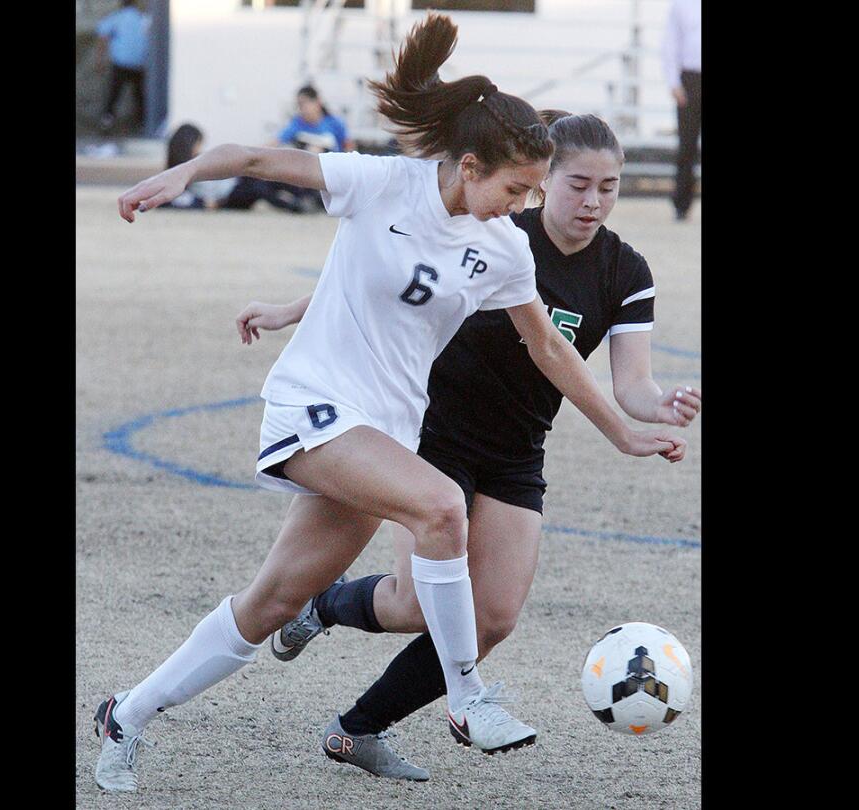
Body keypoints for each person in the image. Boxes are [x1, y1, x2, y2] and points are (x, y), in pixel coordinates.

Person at [92, 13, 686, 794]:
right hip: (314, 408)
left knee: (272, 602)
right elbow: (255, 156)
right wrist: (181, 175)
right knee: (442, 507)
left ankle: (124, 714)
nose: (523, 206)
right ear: (468, 166)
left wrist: (620, 430)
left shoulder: (503, 245)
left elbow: (549, 349)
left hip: (383, 433)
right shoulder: (381, 183)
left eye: (534, 192)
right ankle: (468, 695)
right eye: (515, 188)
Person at [236, 110, 701, 780]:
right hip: (433, 432)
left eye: (609, 185)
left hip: (517, 450)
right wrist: (288, 309)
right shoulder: (495, 227)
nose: (593, 201)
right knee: (411, 603)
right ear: (545, 181)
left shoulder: (625, 272)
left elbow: (634, 385)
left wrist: (660, 407)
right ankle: (323, 603)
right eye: (577, 184)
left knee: (494, 618)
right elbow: (387, 275)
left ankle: (355, 728)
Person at [161, 123, 305, 212]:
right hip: (226, 197)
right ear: (189, 144)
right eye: (199, 144)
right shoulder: (182, 170)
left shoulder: (198, 160)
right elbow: (176, 200)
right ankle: (294, 206)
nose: (200, 148)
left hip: (232, 184)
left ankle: (305, 193)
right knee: (258, 187)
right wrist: (204, 204)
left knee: (265, 174)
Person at [661, 0, 701, 220]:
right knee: (687, 144)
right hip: (691, 78)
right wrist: (673, 82)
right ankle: (682, 204)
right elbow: (670, 43)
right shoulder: (682, 4)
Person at [94, 0, 152, 133]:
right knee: (140, 95)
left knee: (114, 93)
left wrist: (99, 61)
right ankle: (143, 123)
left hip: (121, 64)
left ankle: (107, 120)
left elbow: (102, 37)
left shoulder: (116, 17)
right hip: (139, 64)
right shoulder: (143, 18)